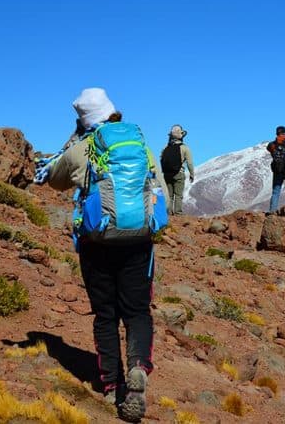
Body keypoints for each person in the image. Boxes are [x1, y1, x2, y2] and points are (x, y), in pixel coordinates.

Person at [37, 88, 168, 422]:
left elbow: (54, 181)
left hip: (97, 244)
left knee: (105, 314)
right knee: (138, 312)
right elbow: (159, 191)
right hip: (138, 242)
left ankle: (111, 385)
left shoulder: (83, 148)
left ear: (84, 120)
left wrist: (64, 155)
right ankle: (139, 367)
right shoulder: (140, 146)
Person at [160, 124, 195, 215]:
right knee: (178, 195)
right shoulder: (185, 148)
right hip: (179, 174)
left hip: (167, 174)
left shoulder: (165, 147)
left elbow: (161, 158)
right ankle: (178, 213)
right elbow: (189, 163)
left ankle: (169, 214)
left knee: (169, 195)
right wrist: (192, 174)